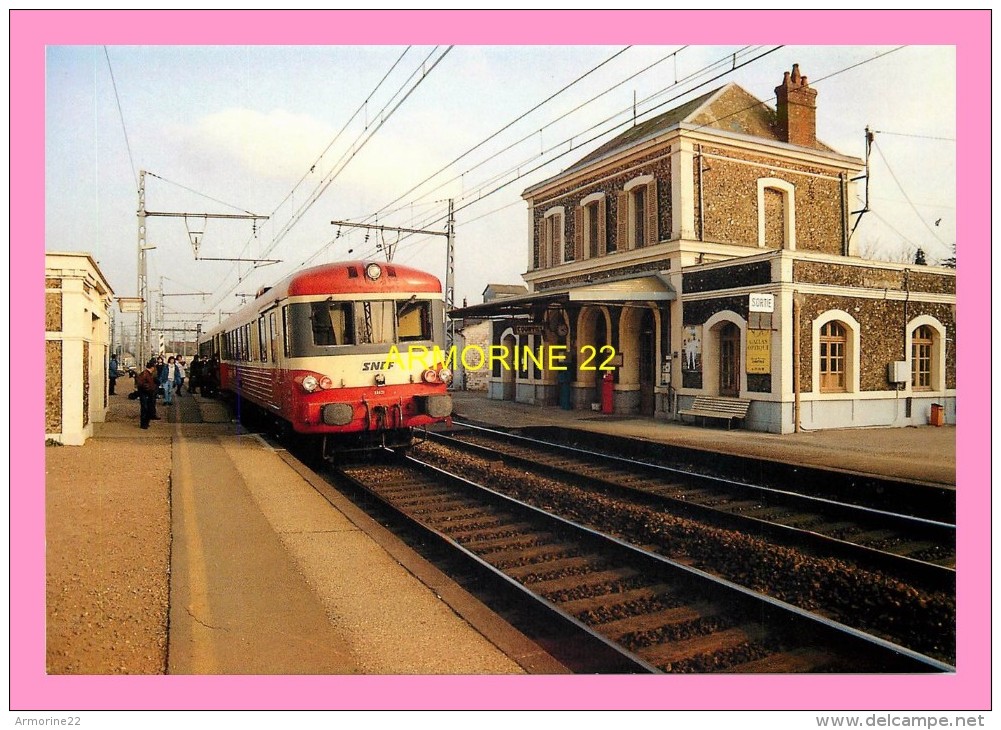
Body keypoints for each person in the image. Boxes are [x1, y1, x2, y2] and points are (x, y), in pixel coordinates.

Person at [136, 359, 159, 429]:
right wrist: (147, 387)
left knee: (147, 408)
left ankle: (146, 423)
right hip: (145, 393)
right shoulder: (146, 374)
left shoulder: (147, 374)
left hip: (148, 393)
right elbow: (140, 384)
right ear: (152, 368)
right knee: (145, 408)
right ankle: (144, 423)